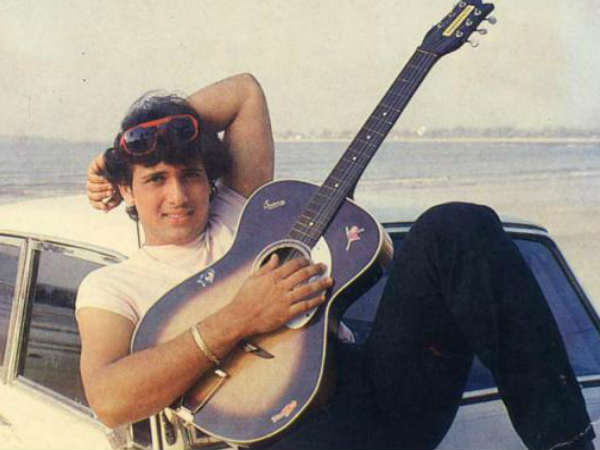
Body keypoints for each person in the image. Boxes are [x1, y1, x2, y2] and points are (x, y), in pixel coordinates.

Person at [79, 73, 594, 450]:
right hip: (293, 434)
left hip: (382, 387)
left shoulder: (241, 209)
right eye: (154, 179)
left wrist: (137, 141)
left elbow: (244, 93)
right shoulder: (115, 286)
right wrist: (240, 316)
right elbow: (108, 398)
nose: (178, 195)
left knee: (456, 224)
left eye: (190, 174)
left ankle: (567, 442)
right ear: (126, 190)